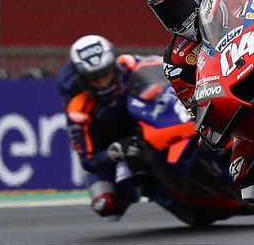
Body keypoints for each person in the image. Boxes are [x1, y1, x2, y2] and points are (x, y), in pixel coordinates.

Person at [57, 34, 175, 220]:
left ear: (114, 66)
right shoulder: (77, 108)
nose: (103, 82)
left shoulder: (129, 65)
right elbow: (88, 159)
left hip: (143, 124)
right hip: (113, 143)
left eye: (106, 73)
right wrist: (114, 152)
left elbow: (164, 69)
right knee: (105, 205)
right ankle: (152, 191)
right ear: (83, 80)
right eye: (95, 78)